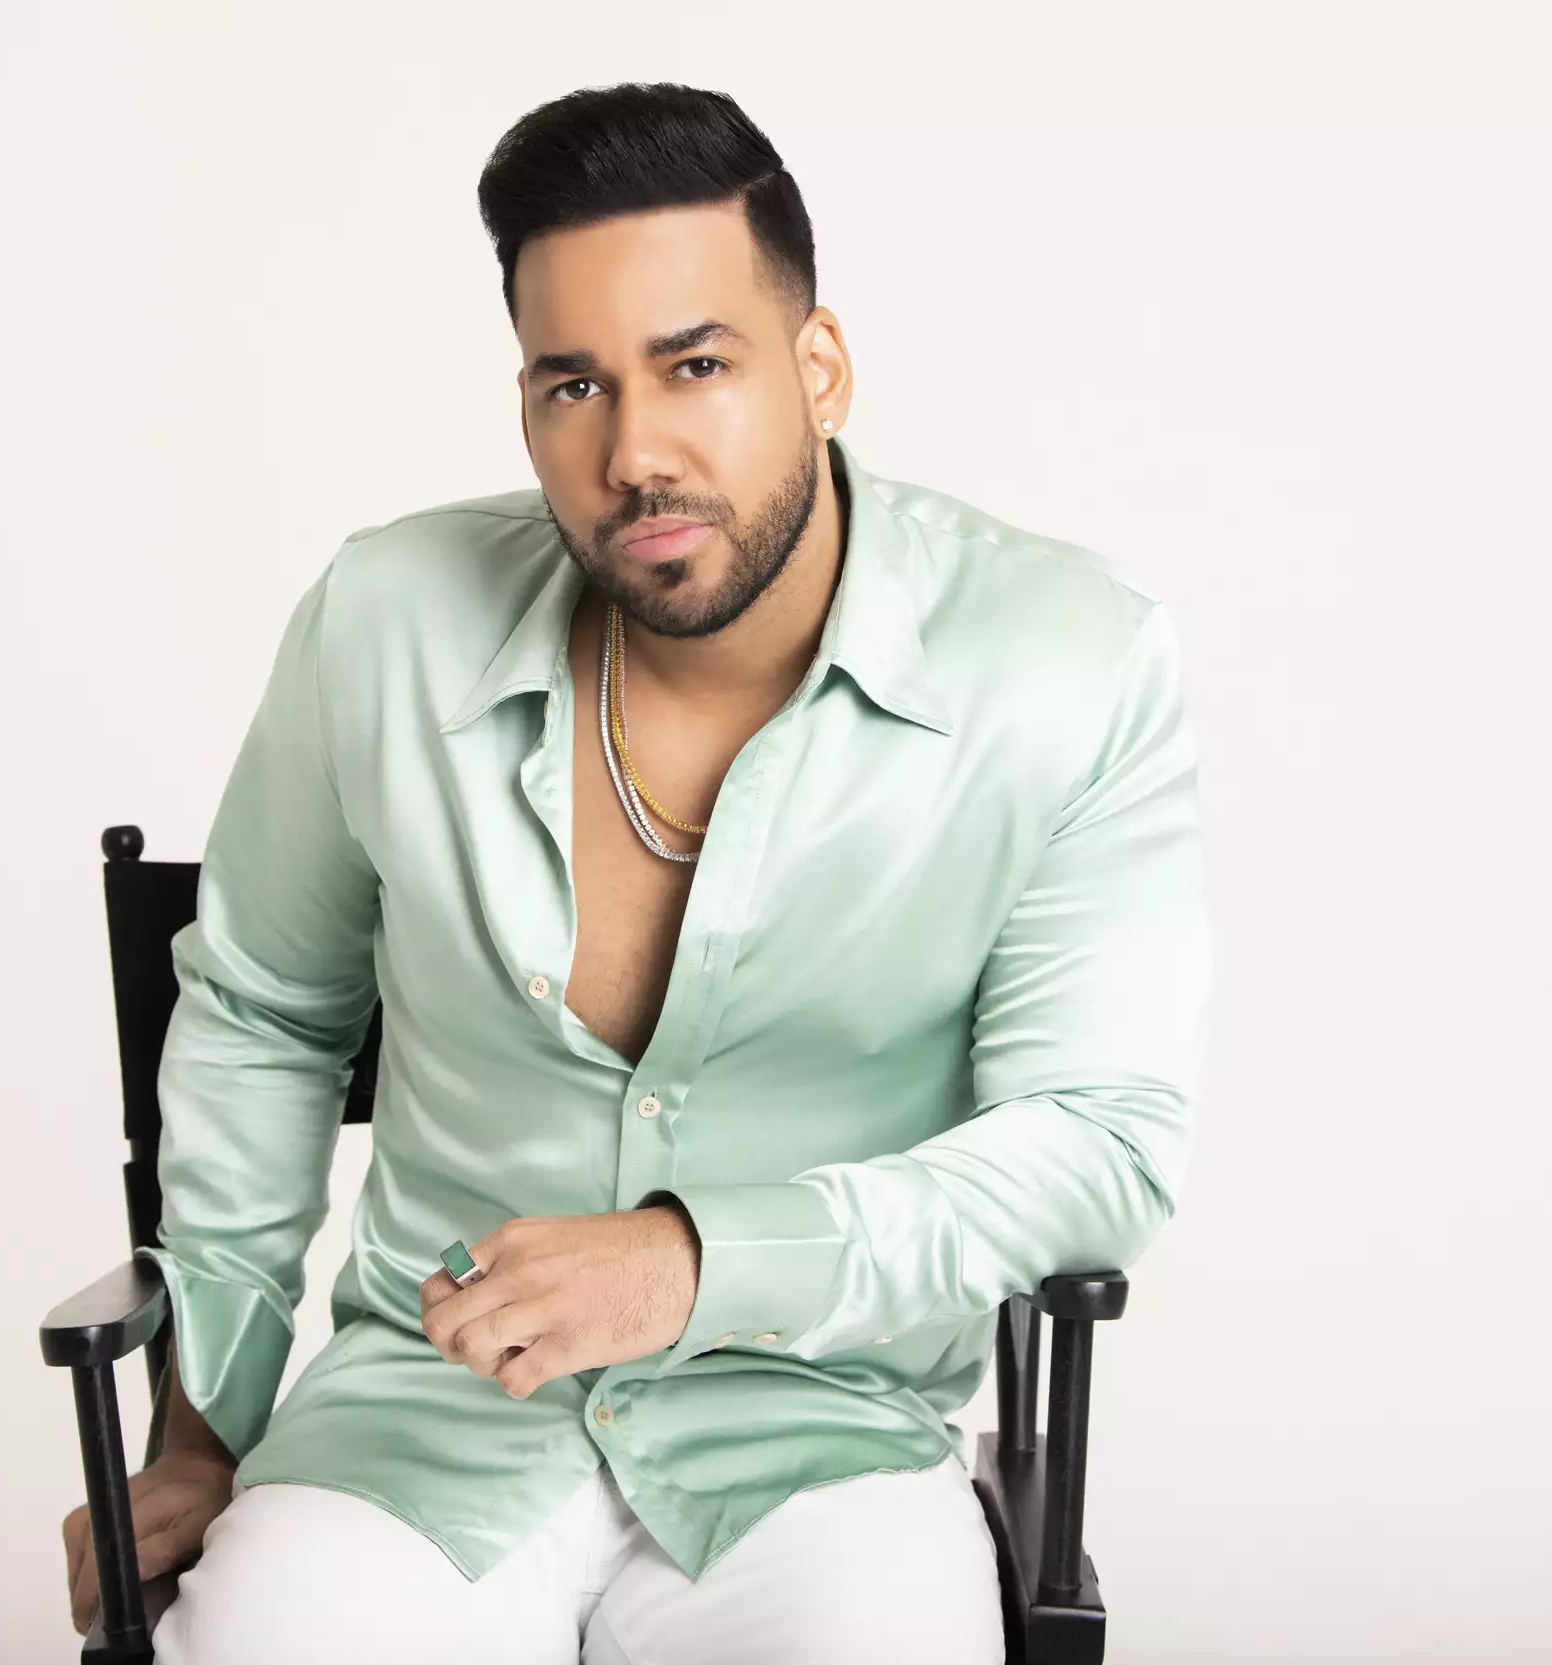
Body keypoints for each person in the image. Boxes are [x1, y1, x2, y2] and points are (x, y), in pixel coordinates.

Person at [61, 80, 1212, 1664]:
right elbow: (265, 1015)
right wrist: (200, 1431)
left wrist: (695, 1261)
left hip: (822, 1431)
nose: (636, 453)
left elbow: (1097, 1141)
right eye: (574, 386)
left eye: (697, 365)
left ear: (820, 367)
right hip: (421, 1419)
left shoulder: (1066, 664)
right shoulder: (385, 623)